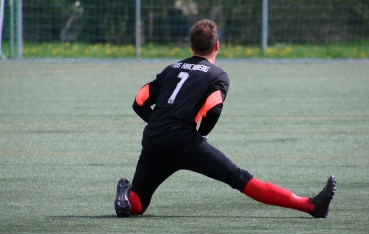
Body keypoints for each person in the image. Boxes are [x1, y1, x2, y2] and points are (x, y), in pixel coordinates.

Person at [114, 19, 336, 218]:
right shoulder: (217, 75)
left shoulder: (171, 69)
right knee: (239, 178)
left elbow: (139, 101)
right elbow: (214, 110)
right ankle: (310, 206)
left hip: (154, 141)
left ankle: (127, 199)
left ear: (190, 46)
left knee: (139, 202)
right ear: (217, 46)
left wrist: (158, 123)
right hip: (185, 143)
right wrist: (200, 136)